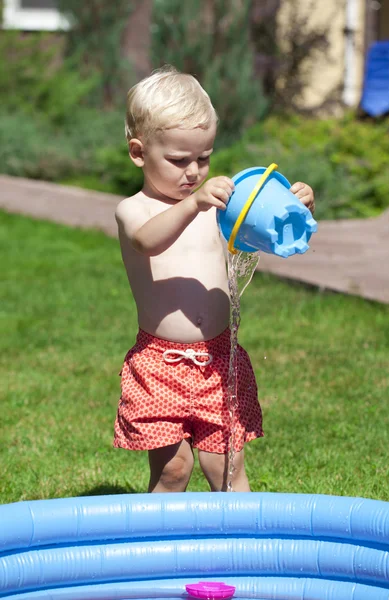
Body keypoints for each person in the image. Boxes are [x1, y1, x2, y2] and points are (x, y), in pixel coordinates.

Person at [113, 66, 315, 493]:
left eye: (203, 158)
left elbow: (265, 233)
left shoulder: (215, 208)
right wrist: (194, 206)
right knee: (173, 470)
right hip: (160, 364)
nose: (193, 172)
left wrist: (292, 206)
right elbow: (147, 241)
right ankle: (160, 553)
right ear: (138, 152)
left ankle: (241, 553)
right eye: (178, 160)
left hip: (218, 359)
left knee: (227, 465)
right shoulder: (134, 210)